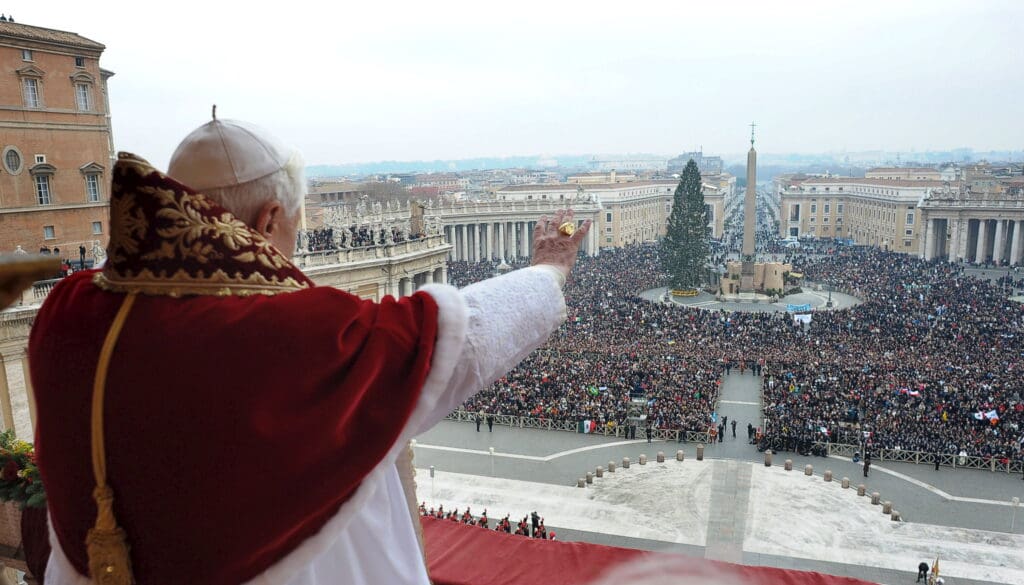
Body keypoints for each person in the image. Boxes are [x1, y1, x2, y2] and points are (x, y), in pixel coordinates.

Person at [29, 117, 591, 585]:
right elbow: (452, 339)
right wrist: (548, 270)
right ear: (269, 219)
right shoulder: (292, 333)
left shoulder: (69, 310)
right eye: (294, 225)